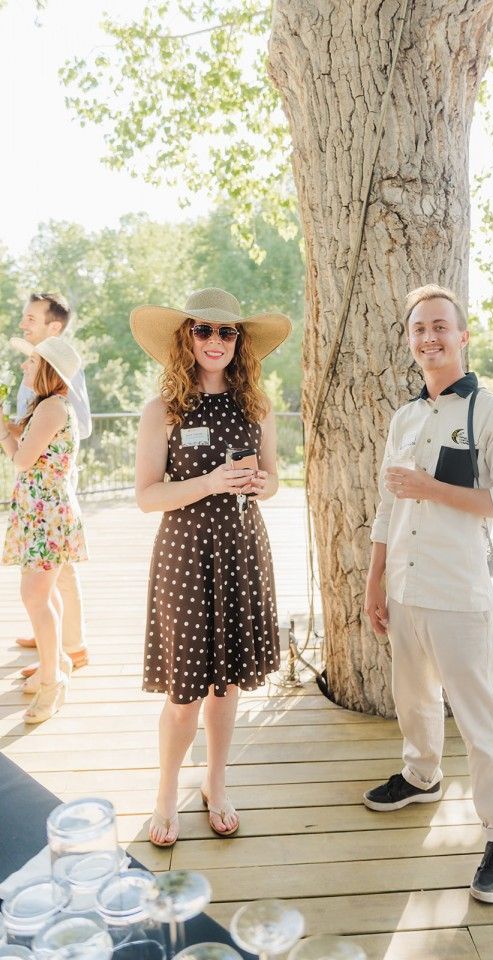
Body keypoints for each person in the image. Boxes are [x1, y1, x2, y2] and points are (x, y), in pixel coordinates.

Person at [363, 283, 493, 904]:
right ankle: (422, 775)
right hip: (404, 587)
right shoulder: (404, 417)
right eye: (419, 330)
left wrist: (431, 487)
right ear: (410, 342)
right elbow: (388, 504)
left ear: (462, 337)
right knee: (411, 695)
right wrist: (373, 580)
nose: (429, 338)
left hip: (460, 593)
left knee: (481, 716)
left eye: (440, 326)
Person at [131, 286, 291, 847]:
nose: (215, 340)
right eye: (204, 329)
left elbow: (274, 479)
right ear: (186, 337)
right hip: (186, 556)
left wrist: (258, 483)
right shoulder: (164, 410)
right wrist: (209, 483)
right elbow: (147, 496)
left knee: (226, 688)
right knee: (184, 695)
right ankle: (164, 792)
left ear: (239, 341)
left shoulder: (257, 407)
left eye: (227, 332)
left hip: (243, 552)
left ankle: (215, 784)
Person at [0, 336, 88, 723]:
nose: (24, 367)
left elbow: (21, 459)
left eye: (31, 362)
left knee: (34, 596)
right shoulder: (45, 406)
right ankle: (58, 663)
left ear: (48, 369)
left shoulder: (53, 407)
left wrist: (4, 432)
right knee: (42, 595)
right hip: (39, 512)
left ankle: (53, 681)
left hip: (47, 515)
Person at [12, 293, 91, 678]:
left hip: (50, 499)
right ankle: (52, 650)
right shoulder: (44, 395)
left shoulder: (58, 397)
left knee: (49, 586)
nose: (23, 324)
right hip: (38, 499)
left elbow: (25, 455)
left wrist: (27, 438)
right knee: (44, 589)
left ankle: (68, 651)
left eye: (30, 318)